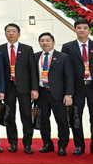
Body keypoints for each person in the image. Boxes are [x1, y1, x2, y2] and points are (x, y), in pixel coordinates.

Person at [0, 23, 38, 154]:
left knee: (26, 116)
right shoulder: (0, 49)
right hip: (9, 88)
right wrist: (0, 89)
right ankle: (12, 143)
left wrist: (34, 88)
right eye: (8, 31)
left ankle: (27, 144)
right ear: (5, 33)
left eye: (14, 31)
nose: (11, 33)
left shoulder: (27, 49)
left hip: (24, 88)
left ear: (19, 34)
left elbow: (32, 70)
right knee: (10, 116)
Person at [36, 33, 74, 156]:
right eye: (42, 41)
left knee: (62, 121)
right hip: (41, 93)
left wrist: (68, 94)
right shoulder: (35, 56)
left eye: (47, 40)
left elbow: (69, 77)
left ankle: (62, 145)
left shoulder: (63, 57)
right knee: (43, 121)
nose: (45, 43)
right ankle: (47, 144)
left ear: (53, 42)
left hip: (58, 94)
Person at [61, 18, 93, 155]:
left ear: (89, 30)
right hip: (76, 89)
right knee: (76, 118)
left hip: (92, 87)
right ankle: (79, 146)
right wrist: (67, 92)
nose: (82, 30)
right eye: (79, 28)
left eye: (85, 28)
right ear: (75, 29)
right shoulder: (68, 47)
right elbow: (65, 70)